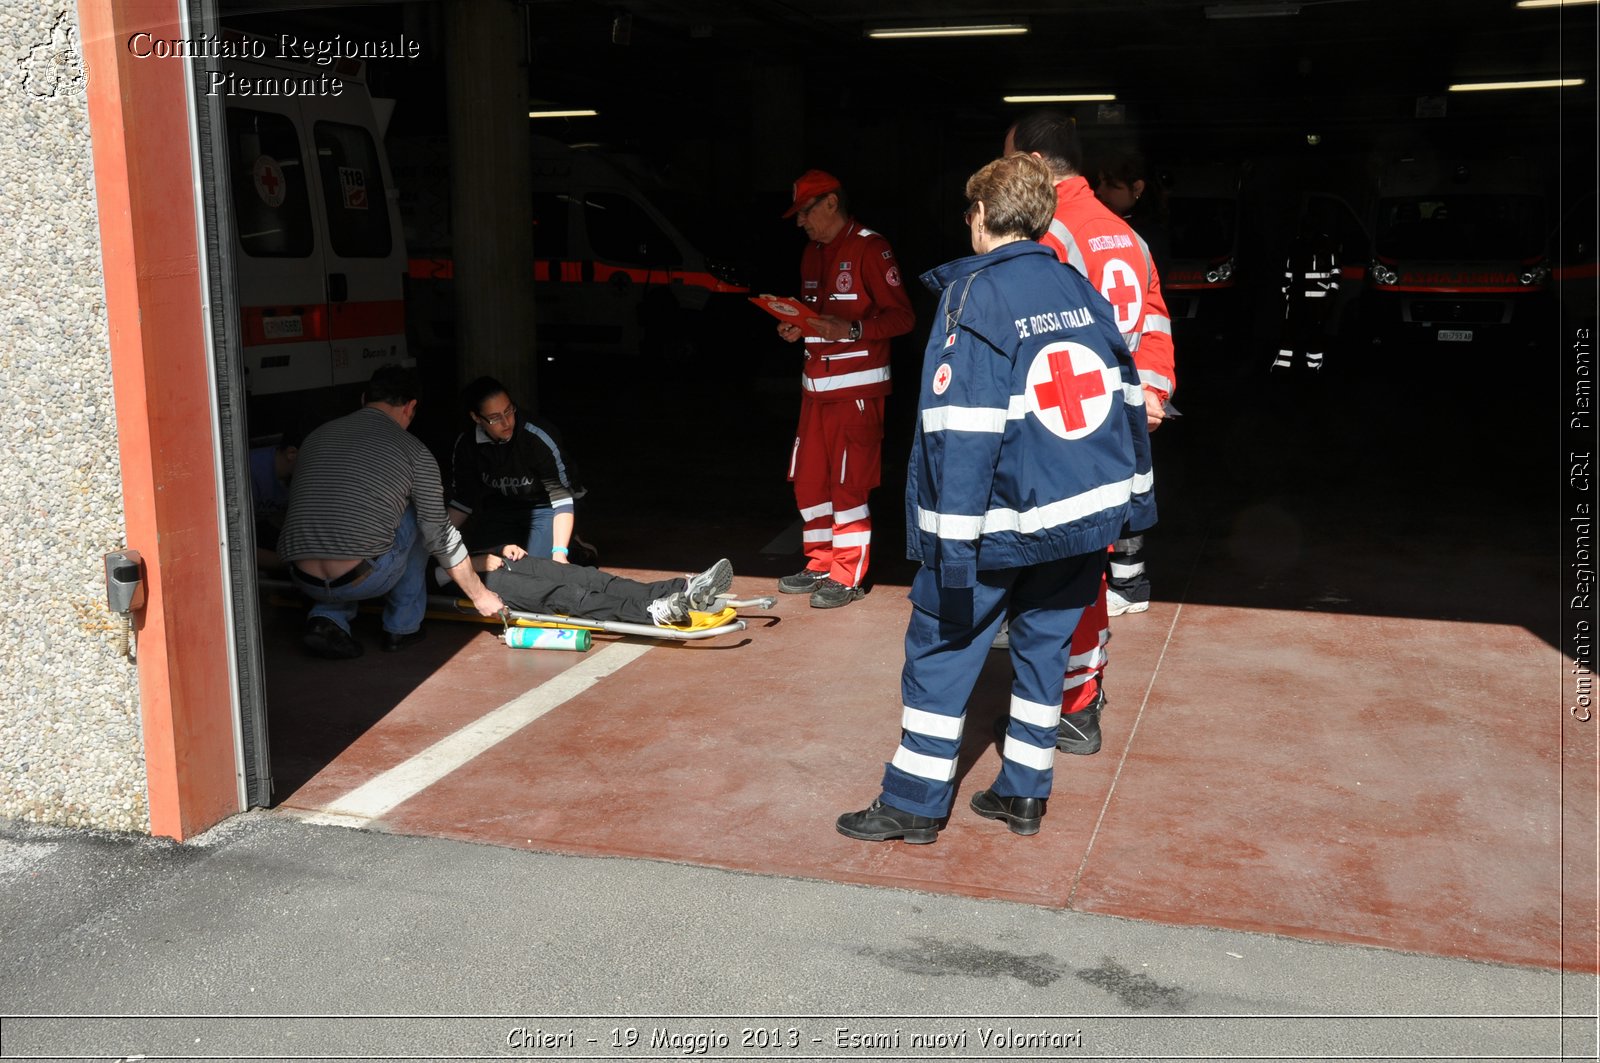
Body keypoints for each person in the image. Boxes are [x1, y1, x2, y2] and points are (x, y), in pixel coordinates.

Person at [836, 153, 1153, 844]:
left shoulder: (973, 296)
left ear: (979, 216)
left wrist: (948, 544)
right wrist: (1133, 508)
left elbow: (961, 427)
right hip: (1080, 517)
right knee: (1043, 651)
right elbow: (1127, 394)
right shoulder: (1078, 286)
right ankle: (1023, 793)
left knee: (941, 651)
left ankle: (914, 803)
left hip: (999, 522)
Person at [1003, 110, 1175, 751]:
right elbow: (1154, 322)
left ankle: (1073, 705)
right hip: (1113, 426)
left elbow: (1034, 343)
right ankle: (1082, 692)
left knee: (1062, 571)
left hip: (1066, 431)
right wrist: (1152, 395)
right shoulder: (1126, 235)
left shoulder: (1049, 234)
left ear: (1037, 165)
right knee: (1087, 564)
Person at [277, 365, 504, 659]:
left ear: (363, 399)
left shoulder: (315, 437)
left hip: (302, 578)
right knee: (420, 515)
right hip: (362, 579)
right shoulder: (415, 452)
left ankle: (327, 618)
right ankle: (402, 627)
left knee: (341, 510)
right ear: (411, 407)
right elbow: (440, 535)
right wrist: (480, 595)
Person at [774, 169, 916, 609]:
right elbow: (818, 315)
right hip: (815, 389)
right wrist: (797, 326)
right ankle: (819, 562)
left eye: (806, 212)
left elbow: (903, 318)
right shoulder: (812, 253)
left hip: (857, 392)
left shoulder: (872, 248)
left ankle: (846, 573)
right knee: (810, 480)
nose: (801, 222)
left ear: (832, 203)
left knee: (848, 484)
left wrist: (852, 328)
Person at [1093, 148, 1173, 617]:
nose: (1101, 192)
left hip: (1126, 371)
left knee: (1123, 480)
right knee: (1131, 477)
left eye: (1110, 184)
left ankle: (1128, 579)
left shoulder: (1140, 237)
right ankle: (1129, 579)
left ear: (1136, 188)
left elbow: (1150, 315)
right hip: (1137, 373)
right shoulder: (1134, 235)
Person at [448, 376, 586, 564]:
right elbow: (464, 499)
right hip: (500, 509)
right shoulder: (467, 444)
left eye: (509, 411)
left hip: (546, 507)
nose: (506, 422)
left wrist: (560, 552)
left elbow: (562, 498)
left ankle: (576, 549)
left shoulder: (536, 437)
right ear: (476, 418)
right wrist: (436, 540)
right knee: (484, 561)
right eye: (495, 417)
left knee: (541, 568)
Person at [468, 550, 732, 628]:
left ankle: (685, 590)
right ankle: (653, 612)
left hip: (483, 556)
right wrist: (470, 564)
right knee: (564, 595)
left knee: (588, 578)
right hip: (460, 578)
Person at [1274, 223, 1341, 371]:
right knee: (1292, 332)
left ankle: (1312, 367)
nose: (1306, 233)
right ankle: (1286, 366)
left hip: (1317, 301)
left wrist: (1331, 294)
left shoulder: (1325, 245)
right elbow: (1288, 271)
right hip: (1298, 298)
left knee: (1313, 335)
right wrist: (1285, 293)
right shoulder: (1297, 245)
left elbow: (1335, 272)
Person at [248, 425, 302, 572]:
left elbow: (277, 516)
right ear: (292, 453)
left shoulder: (290, 477)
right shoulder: (247, 475)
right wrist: (293, 565)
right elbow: (234, 546)